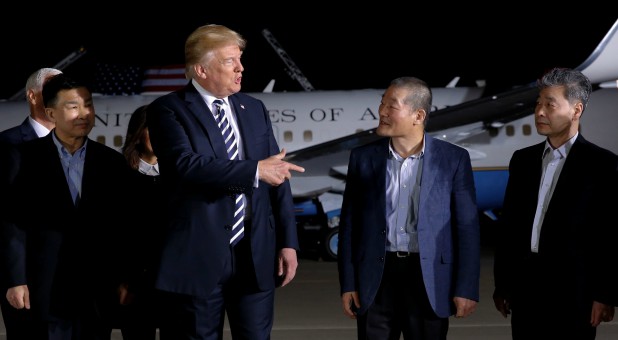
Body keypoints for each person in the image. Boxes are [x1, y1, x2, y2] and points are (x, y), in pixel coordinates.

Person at [146, 24, 305, 340]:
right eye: (231, 60)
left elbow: (278, 175)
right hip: (198, 257)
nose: (241, 68)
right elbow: (185, 166)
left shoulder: (254, 109)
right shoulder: (168, 110)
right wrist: (254, 171)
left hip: (255, 253)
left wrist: (288, 242)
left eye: (240, 60)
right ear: (202, 69)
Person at [337, 76, 481, 340]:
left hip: (429, 280)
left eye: (392, 105)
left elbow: (467, 229)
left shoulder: (453, 159)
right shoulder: (363, 158)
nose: (381, 111)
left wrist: (466, 287)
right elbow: (349, 225)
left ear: (418, 115)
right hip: (376, 279)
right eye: (382, 103)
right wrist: (348, 283)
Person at [3, 73, 133, 340]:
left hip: (97, 289)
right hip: (44, 287)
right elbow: (13, 225)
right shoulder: (26, 159)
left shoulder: (111, 163)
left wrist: (125, 279)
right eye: (73, 106)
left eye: (88, 105)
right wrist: (15, 279)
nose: (84, 113)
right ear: (51, 112)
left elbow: (124, 227)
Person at [492, 67, 618, 340]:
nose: (539, 112)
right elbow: (510, 228)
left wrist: (604, 295)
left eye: (550, 104)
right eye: (538, 103)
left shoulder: (603, 165)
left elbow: (610, 236)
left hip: (575, 294)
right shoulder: (522, 161)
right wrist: (502, 285)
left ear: (576, 110)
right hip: (526, 291)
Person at [0, 67, 62, 340]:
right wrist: (16, 279)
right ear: (33, 96)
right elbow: (8, 219)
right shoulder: (9, 146)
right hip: (30, 280)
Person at [112, 104, 163, 339]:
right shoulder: (117, 174)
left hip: (172, 284)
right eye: (152, 129)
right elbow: (113, 235)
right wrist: (124, 282)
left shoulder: (180, 173)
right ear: (138, 132)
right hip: (135, 285)